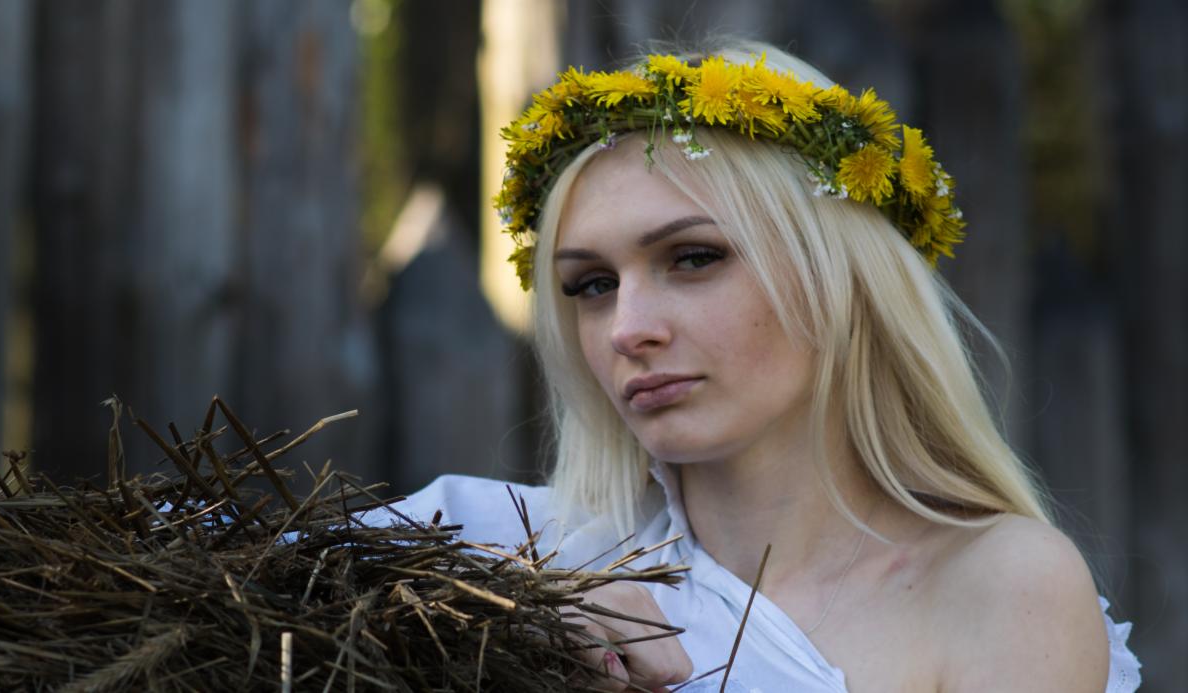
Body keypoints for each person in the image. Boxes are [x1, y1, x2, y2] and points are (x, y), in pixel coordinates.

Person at [384, 41, 1143, 692]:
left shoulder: (999, 587)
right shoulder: (494, 551)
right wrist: (485, 617)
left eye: (694, 257)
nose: (627, 329)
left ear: (840, 277)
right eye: (591, 284)